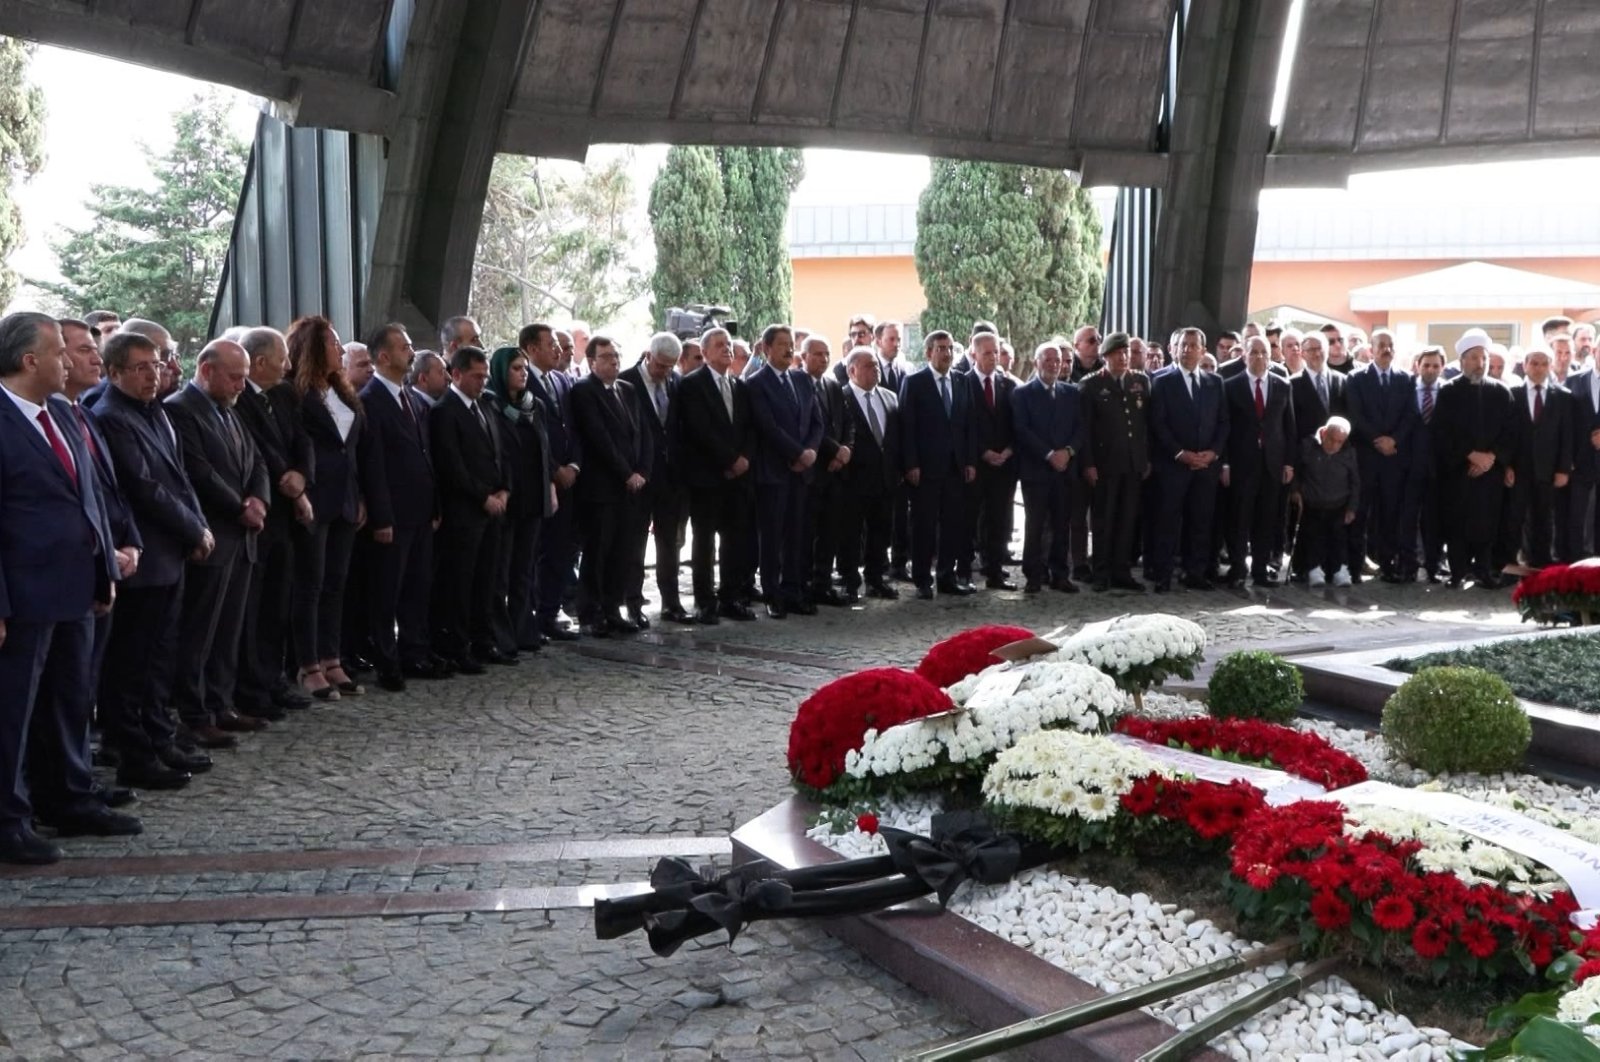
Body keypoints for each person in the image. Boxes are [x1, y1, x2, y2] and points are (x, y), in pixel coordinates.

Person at [0, 313, 129, 864]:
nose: (71, 361)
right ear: (30, 361)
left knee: (69, 699)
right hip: (24, 596)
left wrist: (104, 573)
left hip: (76, 588)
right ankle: (8, 819)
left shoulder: (62, 415)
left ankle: (68, 798)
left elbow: (89, 500)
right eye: (60, 352)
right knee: (12, 713)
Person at [27, 320, 142, 825]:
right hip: (41, 584)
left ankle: (75, 785)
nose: (88, 359)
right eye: (74, 351)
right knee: (46, 700)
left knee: (76, 690)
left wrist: (121, 549)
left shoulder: (73, 416)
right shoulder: (35, 418)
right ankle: (48, 798)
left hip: (88, 573)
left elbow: (101, 493)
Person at [165, 341, 271, 747]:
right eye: (234, 376)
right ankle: (194, 713)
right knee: (200, 631)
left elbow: (257, 461)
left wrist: (259, 499)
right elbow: (199, 471)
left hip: (241, 537)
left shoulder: (229, 411)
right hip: (213, 535)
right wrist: (238, 507)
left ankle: (220, 703)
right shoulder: (181, 409)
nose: (242, 385)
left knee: (229, 629)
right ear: (207, 370)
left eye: (244, 376)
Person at [232, 328, 314, 717]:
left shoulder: (283, 394)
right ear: (260, 362)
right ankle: (252, 686)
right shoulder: (238, 398)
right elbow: (257, 450)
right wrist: (291, 484)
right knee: (255, 606)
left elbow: (303, 439)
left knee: (279, 602)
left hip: (286, 518)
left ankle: (274, 678)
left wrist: (303, 473)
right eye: (282, 358)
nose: (288, 365)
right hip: (262, 512)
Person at [286, 316, 366, 699]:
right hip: (315, 499)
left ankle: (332, 657)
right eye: (332, 343)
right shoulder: (296, 394)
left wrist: (360, 495)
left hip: (345, 497)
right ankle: (308, 663)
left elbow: (352, 449)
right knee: (311, 584)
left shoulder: (342, 391)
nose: (339, 348)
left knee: (337, 583)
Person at [359, 323, 441, 689]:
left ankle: (414, 652)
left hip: (421, 511)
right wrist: (381, 516)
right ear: (383, 356)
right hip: (392, 513)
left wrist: (435, 504)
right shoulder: (369, 400)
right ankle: (386, 660)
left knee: (417, 586)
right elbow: (372, 464)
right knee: (385, 592)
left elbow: (425, 455)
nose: (411, 351)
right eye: (404, 346)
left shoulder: (411, 398)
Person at [430, 346, 511, 668]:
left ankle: (484, 640)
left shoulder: (486, 406)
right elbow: (452, 465)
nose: (482, 382)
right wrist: (483, 497)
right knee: (461, 582)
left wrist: (505, 489)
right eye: (477, 376)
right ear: (457, 374)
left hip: (493, 509)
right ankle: (457, 645)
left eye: (485, 376)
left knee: (487, 580)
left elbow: (499, 453)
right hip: (465, 512)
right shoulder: (444, 411)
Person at [569, 337, 651, 635]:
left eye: (616, 355)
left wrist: (642, 470)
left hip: (631, 488)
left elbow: (643, 434)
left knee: (622, 551)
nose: (614, 361)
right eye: (606, 356)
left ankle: (612, 609)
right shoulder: (584, 391)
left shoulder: (627, 390)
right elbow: (598, 437)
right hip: (602, 487)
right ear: (592, 362)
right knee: (598, 551)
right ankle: (591, 613)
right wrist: (625, 473)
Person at [677, 327, 756, 623]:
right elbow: (699, 430)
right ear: (706, 351)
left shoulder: (740, 386)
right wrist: (729, 459)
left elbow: (749, 428)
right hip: (707, 476)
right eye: (720, 345)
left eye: (729, 345)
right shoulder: (691, 385)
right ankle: (704, 601)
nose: (727, 349)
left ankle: (731, 597)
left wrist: (744, 459)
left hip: (738, 478)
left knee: (734, 539)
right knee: (704, 540)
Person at [745, 325, 824, 618]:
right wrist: (796, 453)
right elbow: (768, 427)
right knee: (772, 535)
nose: (789, 349)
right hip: (774, 472)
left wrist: (811, 451)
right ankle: (772, 593)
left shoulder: (803, 380)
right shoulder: (756, 383)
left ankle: (793, 590)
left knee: (798, 534)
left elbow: (817, 421)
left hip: (802, 472)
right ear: (766, 349)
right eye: (781, 345)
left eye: (791, 344)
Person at [483, 345, 554, 652]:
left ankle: (523, 626)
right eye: (515, 368)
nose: (523, 373)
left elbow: (544, 448)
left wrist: (549, 486)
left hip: (533, 494)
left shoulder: (534, 404)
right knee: (501, 569)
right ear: (500, 371)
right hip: (507, 496)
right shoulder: (490, 404)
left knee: (524, 568)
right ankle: (500, 633)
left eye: (525, 368)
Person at [1433, 330, 1517, 588]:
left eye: (1483, 358)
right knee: (1457, 522)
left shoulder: (1502, 393)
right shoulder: (1448, 392)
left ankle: (1483, 570)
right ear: (1462, 361)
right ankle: (1458, 571)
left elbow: (1510, 432)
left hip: (1490, 472)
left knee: (1487, 522)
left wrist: (1491, 458)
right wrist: (1470, 455)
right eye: (1473, 358)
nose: (1479, 363)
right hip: (1459, 471)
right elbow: (1442, 432)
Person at [1148, 327, 1227, 592]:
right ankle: (1163, 574)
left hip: (1206, 466)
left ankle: (1195, 572)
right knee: (1167, 521)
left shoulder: (1215, 383)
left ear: (1203, 350)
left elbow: (1223, 422)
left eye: (1193, 345)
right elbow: (1158, 424)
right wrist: (1181, 454)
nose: (1187, 349)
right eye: (1183, 345)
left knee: (1201, 521)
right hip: (1173, 465)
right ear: (1175, 348)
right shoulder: (1161, 381)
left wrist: (1213, 453)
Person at [900, 330, 977, 599]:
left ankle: (947, 576)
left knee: (953, 524)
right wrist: (911, 464)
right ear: (928, 352)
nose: (946, 353)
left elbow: (967, 424)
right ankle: (922, 579)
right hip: (925, 468)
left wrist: (969, 460)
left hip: (956, 467)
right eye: (940, 348)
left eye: (950, 348)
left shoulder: (961, 381)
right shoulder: (915, 382)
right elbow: (907, 427)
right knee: (924, 525)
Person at [620, 333, 689, 624]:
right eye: (660, 365)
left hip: (670, 477)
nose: (664, 372)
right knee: (635, 543)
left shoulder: (675, 382)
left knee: (669, 542)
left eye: (670, 366)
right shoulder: (626, 383)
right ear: (648, 355)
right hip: (639, 476)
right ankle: (633, 604)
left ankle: (671, 602)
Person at [521, 323, 583, 642]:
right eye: (550, 344)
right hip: (541, 481)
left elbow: (571, 426)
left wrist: (573, 464)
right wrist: (554, 469)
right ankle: (531, 615)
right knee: (537, 551)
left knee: (561, 550)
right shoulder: (521, 379)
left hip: (568, 479)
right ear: (532, 348)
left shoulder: (561, 379)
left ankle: (551, 611)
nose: (557, 350)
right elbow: (531, 433)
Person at [1010, 342, 1086, 593]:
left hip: (1065, 470)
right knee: (1035, 524)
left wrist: (1068, 452)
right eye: (1048, 360)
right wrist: (1049, 454)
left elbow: (1080, 428)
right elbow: (1022, 430)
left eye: (1058, 361)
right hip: (1037, 470)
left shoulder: (1071, 393)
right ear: (1036, 363)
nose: (1054, 365)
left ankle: (1060, 573)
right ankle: (1034, 574)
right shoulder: (1022, 394)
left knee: (1062, 523)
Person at [1221, 336, 1296, 587]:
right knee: (1239, 518)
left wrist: (1288, 462)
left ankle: (1261, 570)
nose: (1260, 357)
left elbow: (1289, 427)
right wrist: (1226, 463)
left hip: (1272, 463)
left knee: (1267, 519)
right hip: (1242, 463)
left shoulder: (1282, 385)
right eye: (1254, 352)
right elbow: (1225, 428)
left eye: (1264, 353)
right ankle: (1238, 568)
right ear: (1244, 355)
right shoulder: (1231, 386)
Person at [1345, 329, 1417, 582]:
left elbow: (1411, 415)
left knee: (1390, 514)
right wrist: (1379, 440)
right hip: (1366, 456)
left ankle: (1388, 565)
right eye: (1381, 345)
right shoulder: (1355, 378)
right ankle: (1354, 566)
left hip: (1394, 459)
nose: (1386, 349)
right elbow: (1355, 415)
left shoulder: (1407, 379)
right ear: (1371, 350)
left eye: (1390, 345)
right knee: (1360, 513)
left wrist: (1394, 440)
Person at [1080, 332, 1150, 592]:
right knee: (1103, 520)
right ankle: (1101, 571)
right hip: (1105, 464)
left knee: (1127, 519)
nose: (1124, 358)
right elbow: (1085, 430)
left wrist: (1145, 459)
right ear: (1106, 356)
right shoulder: (1091, 385)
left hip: (1132, 464)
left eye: (1127, 353)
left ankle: (1122, 570)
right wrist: (1088, 464)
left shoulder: (1140, 382)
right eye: (1118, 354)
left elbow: (1144, 425)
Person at [836, 347, 900, 601]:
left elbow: (896, 439)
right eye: (869, 365)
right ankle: (850, 581)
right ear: (852, 370)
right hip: (853, 479)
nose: (876, 369)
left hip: (885, 478)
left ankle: (876, 579)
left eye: (877, 365)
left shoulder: (890, 398)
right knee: (851, 533)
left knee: (881, 531)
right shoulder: (841, 398)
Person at [1503, 348, 1573, 569]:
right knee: (1514, 517)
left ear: (1549, 366)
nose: (1539, 368)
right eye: (1534, 363)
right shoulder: (1512, 394)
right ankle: (1508, 563)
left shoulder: (1562, 397)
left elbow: (1567, 436)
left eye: (1544, 364)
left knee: (1543, 518)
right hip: (1519, 468)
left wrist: (1563, 469)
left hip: (1548, 469)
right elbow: (1505, 434)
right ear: (1525, 366)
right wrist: (1506, 465)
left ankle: (1541, 563)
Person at [799, 334, 855, 607]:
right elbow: (810, 429)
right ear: (804, 357)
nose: (822, 359)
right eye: (817, 354)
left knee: (830, 532)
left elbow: (848, 422)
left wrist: (845, 450)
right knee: (806, 533)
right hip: (811, 473)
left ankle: (823, 583)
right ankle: (805, 584)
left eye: (826, 354)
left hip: (836, 473)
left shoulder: (833, 385)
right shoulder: (799, 386)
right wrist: (835, 451)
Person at [963, 332, 1017, 590]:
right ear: (974, 354)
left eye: (996, 352)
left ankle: (994, 571)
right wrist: (983, 452)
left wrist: (1007, 451)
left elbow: (1016, 425)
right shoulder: (962, 384)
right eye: (987, 352)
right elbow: (962, 426)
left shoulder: (1008, 386)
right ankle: (964, 572)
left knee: (998, 519)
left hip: (1004, 465)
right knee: (970, 519)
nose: (994, 357)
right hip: (975, 464)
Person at [1294, 417, 1360, 587]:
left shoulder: (1348, 453)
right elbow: (1298, 471)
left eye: (1339, 442)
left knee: (1338, 540)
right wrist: (1295, 492)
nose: (1334, 445)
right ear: (1323, 433)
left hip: (1338, 504)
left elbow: (1355, 482)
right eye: (1331, 439)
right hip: (1312, 503)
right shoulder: (1308, 446)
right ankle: (1313, 570)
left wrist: (1352, 507)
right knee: (1314, 538)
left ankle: (1340, 571)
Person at [1405, 348, 1448, 581]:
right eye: (1426, 365)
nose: (1430, 370)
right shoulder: (1406, 389)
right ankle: (1409, 564)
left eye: (1435, 366)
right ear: (1417, 365)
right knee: (1408, 517)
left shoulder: (1449, 392)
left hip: (1438, 468)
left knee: (1434, 520)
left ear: (1442, 367)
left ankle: (1434, 564)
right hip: (1410, 465)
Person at [1570, 353, 1600, 559]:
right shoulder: (1574, 380)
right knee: (1576, 513)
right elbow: (1566, 420)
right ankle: (1575, 559)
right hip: (1579, 460)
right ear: (1595, 352)